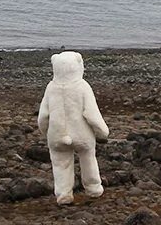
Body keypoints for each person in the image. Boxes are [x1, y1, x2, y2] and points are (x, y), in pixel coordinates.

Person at [37, 51, 109, 205]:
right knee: (88, 157)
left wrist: (46, 132)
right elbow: (91, 113)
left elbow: (43, 116)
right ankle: (93, 188)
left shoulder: (51, 87)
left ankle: (63, 194)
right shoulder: (82, 86)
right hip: (81, 133)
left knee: (60, 163)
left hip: (57, 134)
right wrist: (103, 132)